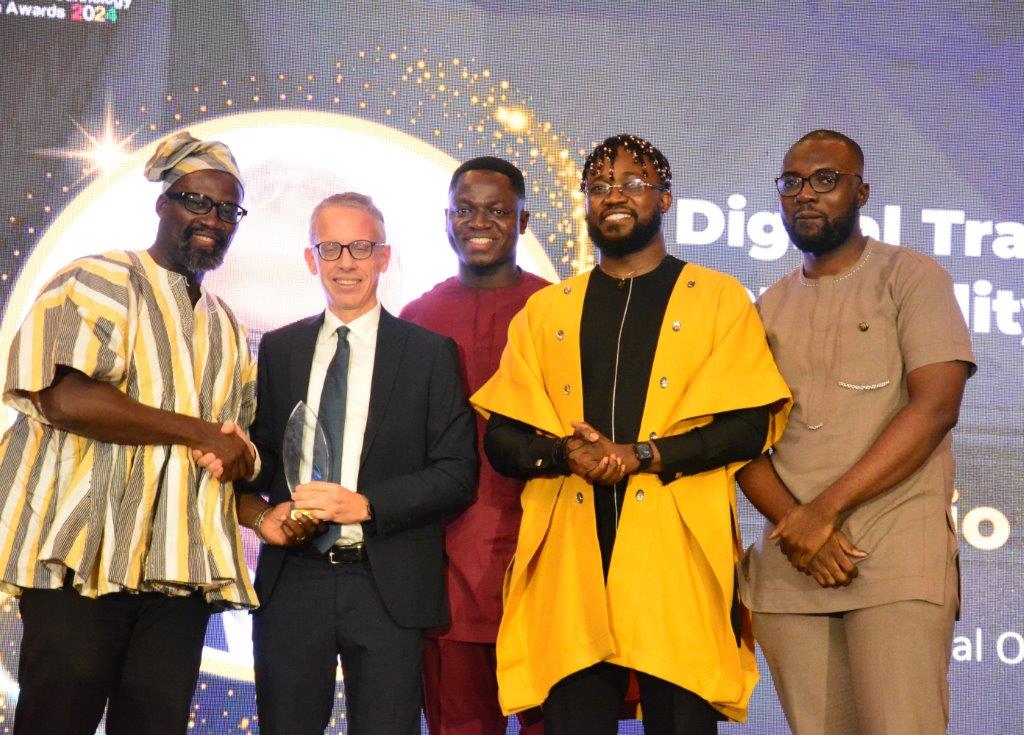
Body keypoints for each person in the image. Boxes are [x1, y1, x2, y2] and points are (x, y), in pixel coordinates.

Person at [472, 134, 792, 735]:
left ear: (664, 199)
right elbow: (503, 441)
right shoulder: (546, 311)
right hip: (572, 566)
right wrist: (564, 453)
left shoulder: (719, 300)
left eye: (633, 184)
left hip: (676, 563)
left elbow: (749, 428)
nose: (613, 196)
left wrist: (641, 455)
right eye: (598, 186)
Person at [0, 131, 258, 735]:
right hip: (81, 560)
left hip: (178, 570)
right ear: (163, 204)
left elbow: (231, 443)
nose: (213, 219)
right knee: (58, 718)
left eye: (228, 210)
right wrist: (199, 431)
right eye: (197, 201)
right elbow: (63, 397)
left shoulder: (227, 326)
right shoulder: (98, 278)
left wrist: (242, 461)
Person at [738, 129, 975, 735]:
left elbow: (936, 407)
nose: (805, 194)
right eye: (792, 182)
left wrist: (824, 513)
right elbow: (739, 442)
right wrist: (801, 527)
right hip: (793, 570)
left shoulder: (912, 277)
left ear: (861, 192)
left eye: (825, 179)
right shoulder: (764, 309)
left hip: (893, 560)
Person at [234, 192, 477, 735]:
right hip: (294, 578)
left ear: (384, 257)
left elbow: (457, 472)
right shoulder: (280, 349)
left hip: (387, 582)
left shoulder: (428, 353)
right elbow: (266, 458)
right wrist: (236, 459)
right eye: (331, 248)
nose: (346, 262)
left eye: (361, 247)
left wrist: (367, 505)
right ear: (311, 258)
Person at [400, 156, 547, 735]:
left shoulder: (559, 311)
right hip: (448, 571)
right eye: (465, 209)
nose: (479, 222)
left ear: (524, 221)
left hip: (545, 562)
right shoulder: (416, 318)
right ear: (446, 219)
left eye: (497, 211)